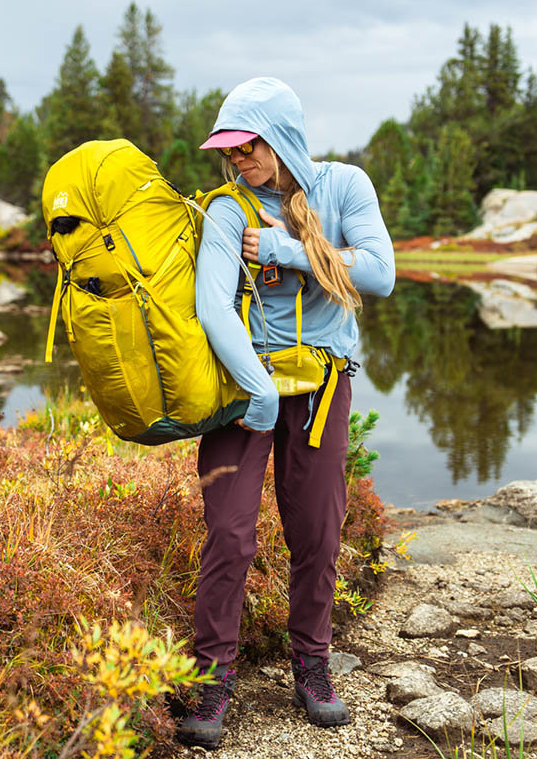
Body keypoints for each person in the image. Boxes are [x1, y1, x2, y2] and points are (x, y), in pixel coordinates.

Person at [176, 77, 395, 749]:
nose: (239, 159)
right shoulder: (224, 209)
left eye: (250, 146)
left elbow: (380, 273)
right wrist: (258, 390)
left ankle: (313, 663)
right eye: (231, 150)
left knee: (319, 533)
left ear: (282, 138)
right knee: (231, 535)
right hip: (242, 397)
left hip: (323, 388)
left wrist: (286, 250)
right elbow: (215, 308)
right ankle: (211, 678)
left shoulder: (343, 188)